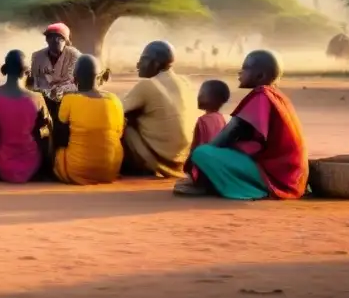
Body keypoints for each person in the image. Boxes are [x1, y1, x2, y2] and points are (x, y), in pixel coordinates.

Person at [177, 50, 308, 200]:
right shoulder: (277, 96)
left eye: (245, 68)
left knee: (202, 153)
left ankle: (251, 191)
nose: (240, 73)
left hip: (276, 175)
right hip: (289, 174)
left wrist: (197, 162)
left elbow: (230, 133)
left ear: (260, 75)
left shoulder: (261, 95)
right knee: (215, 153)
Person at [120, 41, 198, 178]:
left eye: (143, 60)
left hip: (159, 162)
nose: (138, 65)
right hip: (181, 161)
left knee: (122, 123)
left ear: (155, 64)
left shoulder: (148, 85)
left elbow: (116, 109)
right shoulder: (185, 82)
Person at [53, 54, 125, 185]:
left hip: (77, 171)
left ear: (75, 79)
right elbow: (119, 134)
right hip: (111, 171)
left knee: (56, 144)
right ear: (98, 77)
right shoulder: (115, 100)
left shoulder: (69, 99)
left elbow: (60, 136)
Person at [0, 50, 51, 183]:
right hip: (31, 165)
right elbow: (46, 132)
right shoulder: (37, 98)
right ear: (26, 72)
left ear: (5, 69)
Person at [184, 79, 230, 176]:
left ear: (215, 99)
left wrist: (187, 165)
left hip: (206, 170)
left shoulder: (203, 120)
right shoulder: (221, 118)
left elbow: (195, 147)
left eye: (203, 93)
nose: (199, 96)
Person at [30, 23, 81, 96]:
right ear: (47, 39)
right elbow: (34, 82)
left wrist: (59, 90)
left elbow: (78, 82)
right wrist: (44, 92)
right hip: (43, 96)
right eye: (50, 37)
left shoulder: (74, 55)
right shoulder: (37, 56)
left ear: (65, 40)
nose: (54, 41)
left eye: (58, 38)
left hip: (67, 96)